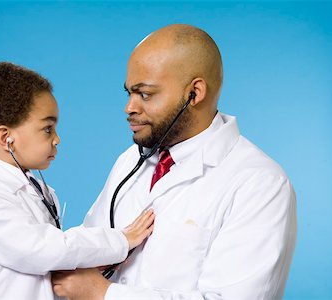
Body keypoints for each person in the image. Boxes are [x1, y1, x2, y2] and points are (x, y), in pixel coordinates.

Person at [51, 24, 297, 299]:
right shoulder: (130, 160)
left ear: (195, 93)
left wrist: (105, 294)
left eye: (145, 94)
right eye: (129, 93)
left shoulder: (260, 183)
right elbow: (88, 253)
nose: (129, 108)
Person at [0, 62, 154, 300]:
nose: (57, 139)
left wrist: (95, 263)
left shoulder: (32, 187)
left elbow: (47, 265)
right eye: (47, 129)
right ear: (6, 138)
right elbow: (46, 250)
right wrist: (121, 240)